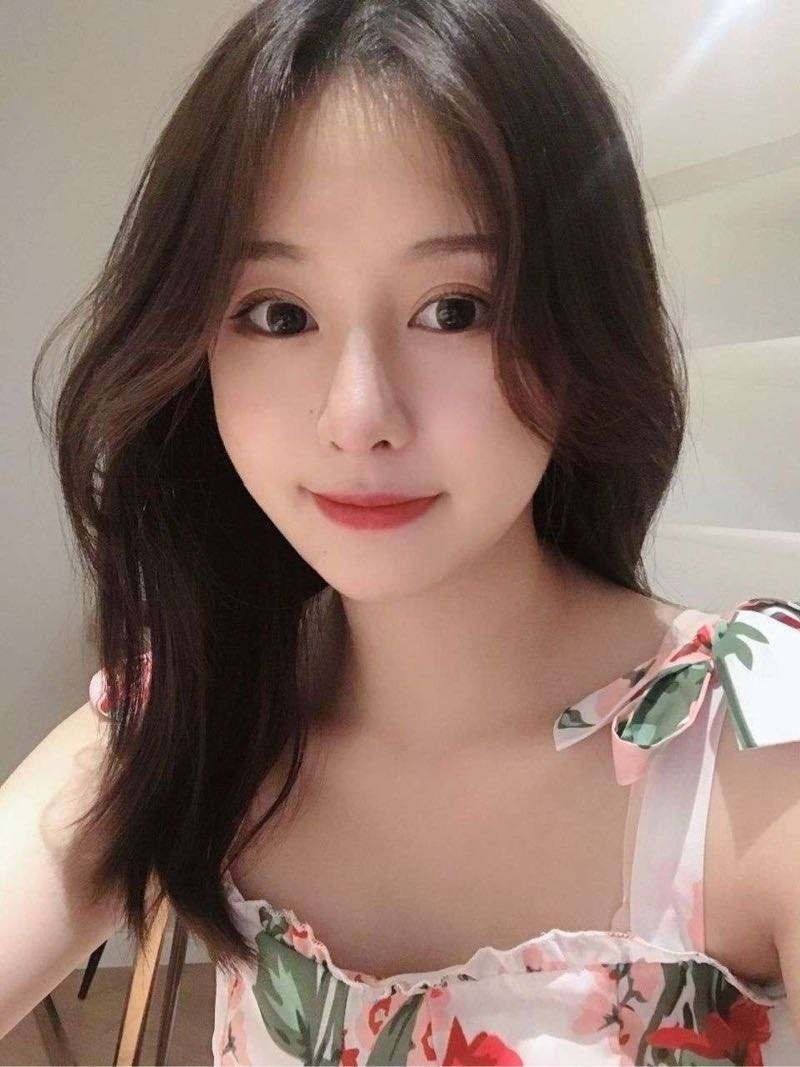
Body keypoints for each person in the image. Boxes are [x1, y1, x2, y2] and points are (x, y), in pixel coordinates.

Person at [4, 1, 800, 1062]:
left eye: (455, 308)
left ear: (579, 323)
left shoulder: (753, 742)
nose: (358, 416)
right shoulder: (195, 717)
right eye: (278, 313)